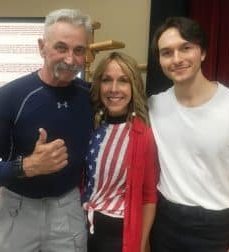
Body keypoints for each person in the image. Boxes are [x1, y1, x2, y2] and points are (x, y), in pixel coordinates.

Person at [0, 9, 93, 252]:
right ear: (42, 47)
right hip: (18, 210)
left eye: (78, 50)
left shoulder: (90, 96)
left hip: (66, 209)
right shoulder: (9, 97)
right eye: (61, 47)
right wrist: (27, 166)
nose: (70, 59)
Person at [148, 17, 229, 252]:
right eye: (167, 52)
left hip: (215, 227)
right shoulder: (153, 106)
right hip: (164, 220)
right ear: (159, 60)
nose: (177, 59)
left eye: (186, 48)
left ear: (202, 52)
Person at [82, 52, 159, 252]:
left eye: (123, 81)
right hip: (81, 228)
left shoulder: (142, 135)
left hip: (119, 236)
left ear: (134, 86)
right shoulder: (89, 127)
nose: (114, 89)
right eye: (107, 80)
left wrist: (141, 245)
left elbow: (149, 196)